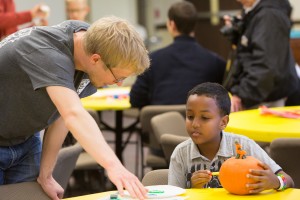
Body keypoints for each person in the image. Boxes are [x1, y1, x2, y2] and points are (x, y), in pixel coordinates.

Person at [0, 16, 149, 200]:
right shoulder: (47, 52)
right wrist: (114, 166)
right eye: (118, 77)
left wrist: (46, 175)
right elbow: (73, 114)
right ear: (96, 59)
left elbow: (62, 115)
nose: (119, 84)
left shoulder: (92, 43)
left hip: (25, 138)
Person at [168, 82, 294, 192]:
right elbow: (172, 195)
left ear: (223, 122)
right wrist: (193, 190)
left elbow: (288, 180)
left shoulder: (243, 145)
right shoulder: (180, 154)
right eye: (190, 117)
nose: (195, 124)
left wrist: (277, 182)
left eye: (205, 118)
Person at [130, 1, 226, 108]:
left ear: (172, 24)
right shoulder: (215, 62)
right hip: (199, 122)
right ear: (194, 25)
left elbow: (135, 99)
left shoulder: (152, 60)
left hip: (159, 122)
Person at [222, 0, 298, 112]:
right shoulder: (255, 10)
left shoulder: (269, 15)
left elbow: (266, 66)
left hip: (266, 99)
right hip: (259, 94)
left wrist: (242, 96)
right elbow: (249, 51)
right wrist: (237, 32)